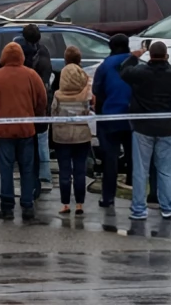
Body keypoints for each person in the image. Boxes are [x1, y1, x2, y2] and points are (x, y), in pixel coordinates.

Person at [0, 41, 48, 221]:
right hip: (26, 129)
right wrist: (35, 114)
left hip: (3, 131)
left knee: (6, 169)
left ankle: (7, 207)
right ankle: (27, 205)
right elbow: (42, 99)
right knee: (27, 169)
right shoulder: (31, 75)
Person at [120, 41, 171, 220]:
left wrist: (134, 56)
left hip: (143, 126)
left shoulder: (140, 73)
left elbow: (124, 71)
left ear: (150, 56)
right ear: (166, 55)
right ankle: (167, 207)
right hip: (165, 127)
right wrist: (164, 61)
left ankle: (139, 208)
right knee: (165, 170)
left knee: (141, 170)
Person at [92, 33, 133, 210]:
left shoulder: (105, 66)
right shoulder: (136, 62)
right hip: (133, 117)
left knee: (110, 159)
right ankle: (138, 197)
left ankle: (108, 197)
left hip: (110, 117)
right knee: (136, 159)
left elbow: (97, 90)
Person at [51, 57, 94, 216]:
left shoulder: (57, 95)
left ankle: (65, 204)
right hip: (81, 136)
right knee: (80, 171)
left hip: (62, 137)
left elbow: (53, 114)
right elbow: (88, 112)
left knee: (64, 171)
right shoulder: (85, 95)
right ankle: (80, 205)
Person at [16, 25, 54, 192]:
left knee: (26, 144)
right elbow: (47, 79)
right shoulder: (44, 52)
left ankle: (29, 179)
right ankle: (43, 176)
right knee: (41, 140)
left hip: (24, 103)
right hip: (40, 103)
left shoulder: (20, 53)